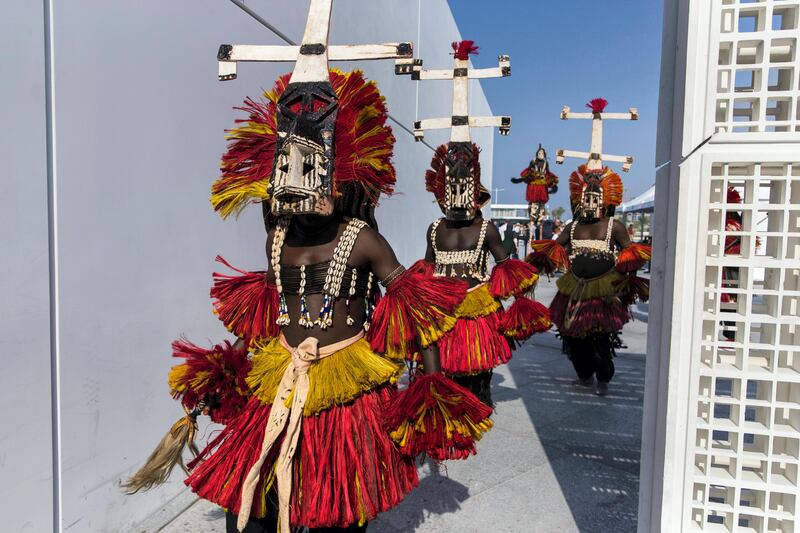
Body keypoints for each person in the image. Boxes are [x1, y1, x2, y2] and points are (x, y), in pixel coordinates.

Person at [124, 57, 493, 533]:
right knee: (263, 502)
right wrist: (226, 369)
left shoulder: (363, 240)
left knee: (338, 504)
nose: (304, 189)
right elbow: (262, 320)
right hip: (282, 373)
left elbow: (416, 315)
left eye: (316, 174)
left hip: (348, 385)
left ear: (341, 177)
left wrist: (430, 387)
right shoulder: (276, 240)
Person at [419, 79, 551, 407]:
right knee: (446, 362)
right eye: (452, 189)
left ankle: (477, 403)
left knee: (477, 367)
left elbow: (506, 267)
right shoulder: (434, 229)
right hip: (444, 310)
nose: (459, 197)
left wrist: (522, 301)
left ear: (475, 193)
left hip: (477, 306)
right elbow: (427, 269)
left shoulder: (488, 229)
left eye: (465, 188)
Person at [528, 165, 651, 396]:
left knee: (600, 339)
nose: (590, 204)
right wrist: (532, 265)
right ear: (579, 200)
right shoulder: (573, 227)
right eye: (586, 198)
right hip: (574, 289)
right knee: (573, 338)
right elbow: (553, 250)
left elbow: (631, 256)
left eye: (595, 199)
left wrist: (626, 285)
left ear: (605, 200)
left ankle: (603, 377)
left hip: (604, 289)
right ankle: (584, 374)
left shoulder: (615, 226)